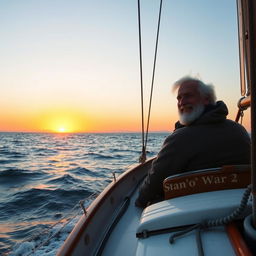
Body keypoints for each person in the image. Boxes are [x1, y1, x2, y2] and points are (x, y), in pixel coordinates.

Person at [135, 76, 251, 208]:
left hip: (192, 218)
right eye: (179, 98)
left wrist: (139, 201)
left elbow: (148, 191)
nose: (182, 102)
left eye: (188, 96)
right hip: (244, 209)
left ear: (206, 99)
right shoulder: (239, 131)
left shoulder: (180, 139)